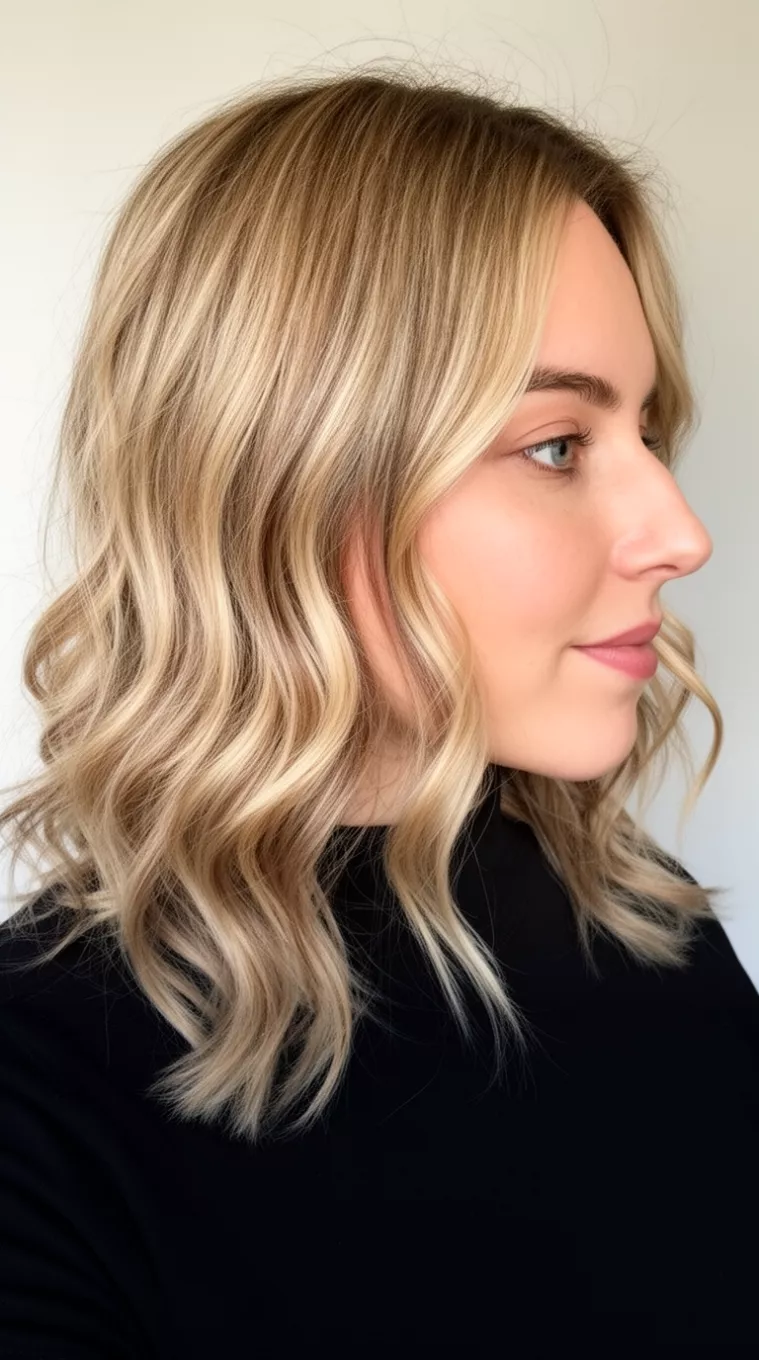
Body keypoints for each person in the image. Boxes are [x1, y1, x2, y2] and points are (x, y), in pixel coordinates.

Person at [0, 62, 757, 1356]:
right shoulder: (43, 1093)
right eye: (558, 446)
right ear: (288, 476)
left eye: (646, 432)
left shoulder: (645, 933)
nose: (677, 535)